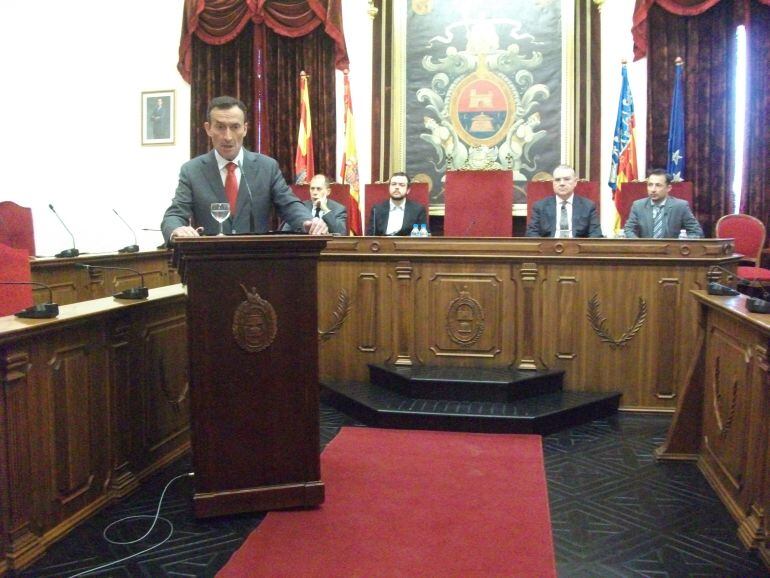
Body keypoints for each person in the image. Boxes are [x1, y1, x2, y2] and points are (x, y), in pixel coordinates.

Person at [161, 96, 327, 243]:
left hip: (256, 262)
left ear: (245, 129)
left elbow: (289, 205)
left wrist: (307, 221)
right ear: (208, 129)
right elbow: (174, 214)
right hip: (209, 265)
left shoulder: (267, 167)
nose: (227, 136)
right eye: (220, 127)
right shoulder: (192, 171)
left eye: (235, 127)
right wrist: (176, 229)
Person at [525, 165, 603, 238]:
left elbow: (596, 234)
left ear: (575, 182)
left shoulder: (588, 206)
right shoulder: (540, 206)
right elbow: (531, 233)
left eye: (566, 179)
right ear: (553, 183)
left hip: (577, 250)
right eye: (557, 180)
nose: (562, 183)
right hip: (548, 250)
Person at [623, 168, 703, 238]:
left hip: (672, 252)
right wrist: (639, 246)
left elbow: (696, 232)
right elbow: (629, 229)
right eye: (650, 185)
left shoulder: (680, 206)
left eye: (658, 185)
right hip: (646, 252)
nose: (653, 189)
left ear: (668, 188)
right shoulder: (638, 206)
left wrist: (682, 245)